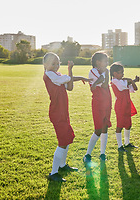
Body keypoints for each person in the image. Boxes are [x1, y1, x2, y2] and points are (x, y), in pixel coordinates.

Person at [43, 52, 91, 182]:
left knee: (67, 138)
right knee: (62, 142)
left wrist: (71, 71)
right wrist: (72, 74)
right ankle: (53, 173)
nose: (56, 66)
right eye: (53, 63)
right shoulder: (49, 74)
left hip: (63, 111)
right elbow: (65, 80)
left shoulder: (57, 75)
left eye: (58, 63)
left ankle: (62, 165)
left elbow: (69, 87)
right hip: (57, 112)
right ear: (45, 65)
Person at [83, 51, 112, 163]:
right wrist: (103, 76)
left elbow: (104, 83)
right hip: (98, 103)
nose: (107, 63)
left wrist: (105, 75)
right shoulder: (93, 71)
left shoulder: (105, 71)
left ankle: (102, 153)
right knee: (98, 129)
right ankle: (88, 154)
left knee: (105, 127)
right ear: (98, 62)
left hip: (107, 101)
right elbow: (102, 81)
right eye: (105, 61)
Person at [110, 62, 139, 152]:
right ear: (115, 73)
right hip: (120, 105)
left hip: (127, 104)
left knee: (128, 124)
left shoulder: (122, 81)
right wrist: (131, 80)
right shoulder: (114, 81)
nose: (123, 74)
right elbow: (123, 86)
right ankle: (120, 146)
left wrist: (132, 81)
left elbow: (134, 88)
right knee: (120, 126)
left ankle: (127, 143)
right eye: (121, 72)